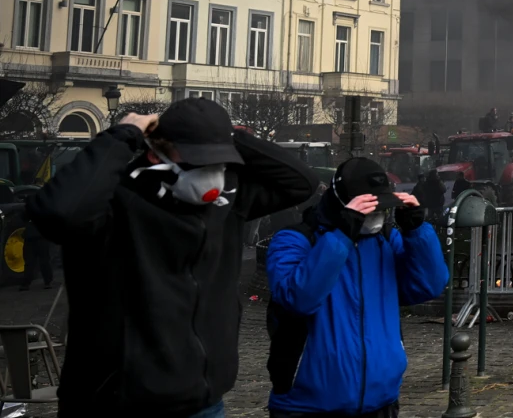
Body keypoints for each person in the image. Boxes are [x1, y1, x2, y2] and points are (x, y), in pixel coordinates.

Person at [29, 99, 315, 418]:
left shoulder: (227, 202)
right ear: (156, 153)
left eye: (218, 161)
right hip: (116, 403)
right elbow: (58, 213)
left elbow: (300, 182)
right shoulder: (111, 205)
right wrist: (124, 135)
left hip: (204, 402)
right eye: (196, 161)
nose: (210, 174)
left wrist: (225, 135)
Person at [267, 158, 449, 418]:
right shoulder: (295, 240)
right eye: (368, 209)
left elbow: (428, 286)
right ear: (343, 204)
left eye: (380, 208)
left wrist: (417, 232)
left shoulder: (386, 240)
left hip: (381, 401)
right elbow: (298, 299)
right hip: (308, 405)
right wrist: (341, 236)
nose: (376, 217)